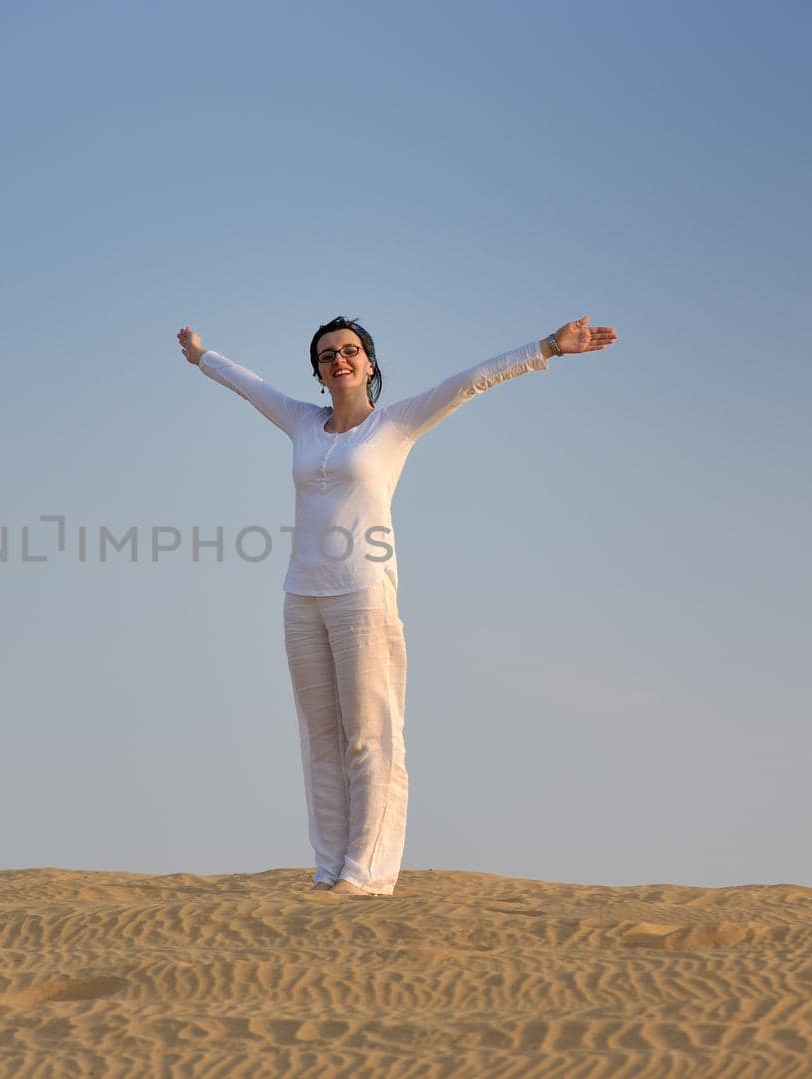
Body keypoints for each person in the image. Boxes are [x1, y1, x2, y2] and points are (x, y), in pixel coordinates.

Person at [176, 315, 620, 896]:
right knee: (319, 738)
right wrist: (202, 357)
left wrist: (547, 349)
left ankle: (367, 872)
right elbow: (247, 383)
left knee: (370, 734)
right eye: (328, 354)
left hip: (363, 592)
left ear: (369, 363)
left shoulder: (395, 425)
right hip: (301, 595)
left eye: (351, 351)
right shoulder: (301, 423)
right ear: (317, 370)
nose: (340, 359)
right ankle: (329, 867)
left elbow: (470, 381)